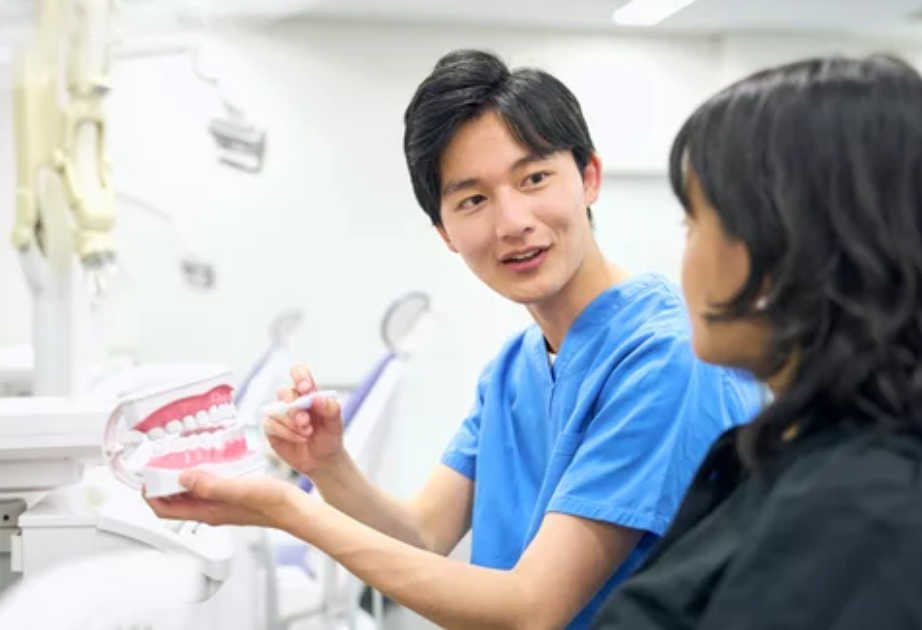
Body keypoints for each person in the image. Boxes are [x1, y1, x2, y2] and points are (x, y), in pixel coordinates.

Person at [145, 49, 762, 630]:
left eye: (534, 178)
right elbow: (422, 534)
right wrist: (328, 469)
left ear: (590, 176)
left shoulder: (663, 356)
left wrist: (289, 510)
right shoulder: (513, 369)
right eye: (473, 199)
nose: (512, 222)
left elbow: (532, 609)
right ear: (444, 231)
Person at [590, 54, 922, 630]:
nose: (684, 261)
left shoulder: (860, 513)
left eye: (693, 226)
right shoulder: (780, 456)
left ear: (786, 247)